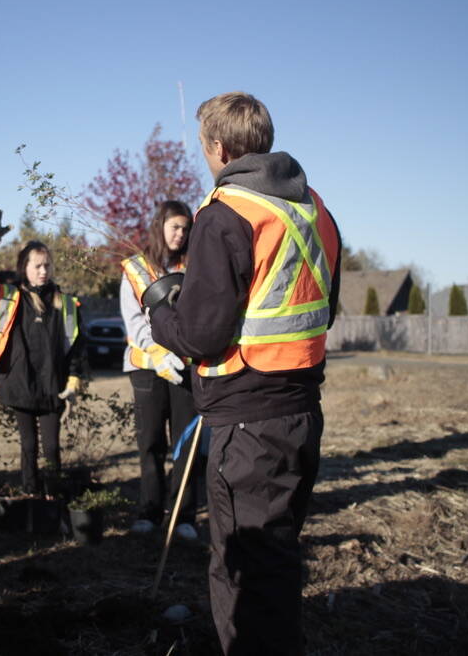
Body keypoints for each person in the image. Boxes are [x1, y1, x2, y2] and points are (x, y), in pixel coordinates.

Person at [148, 92, 341, 655]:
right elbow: (320, 305)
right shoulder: (315, 209)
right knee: (276, 563)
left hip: (247, 423)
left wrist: (161, 308)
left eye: (203, 145)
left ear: (220, 148)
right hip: (301, 411)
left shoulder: (226, 212)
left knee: (242, 571)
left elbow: (201, 335)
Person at [0, 211, 85, 494]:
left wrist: (75, 378)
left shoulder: (63, 303)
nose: (43, 271)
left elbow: (77, 345)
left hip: (52, 386)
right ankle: (31, 494)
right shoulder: (9, 296)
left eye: (47, 266)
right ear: (24, 267)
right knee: (28, 446)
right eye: (37, 266)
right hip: (20, 385)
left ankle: (55, 496)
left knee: (52, 448)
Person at [121, 200, 201, 542]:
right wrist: (157, 355)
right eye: (174, 227)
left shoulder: (196, 267)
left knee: (185, 444)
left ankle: (184, 515)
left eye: (185, 229)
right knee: (150, 442)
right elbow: (134, 320)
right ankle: (149, 512)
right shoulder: (138, 268)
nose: (180, 235)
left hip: (184, 369)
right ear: (161, 227)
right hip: (148, 370)